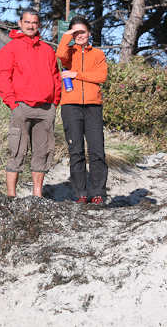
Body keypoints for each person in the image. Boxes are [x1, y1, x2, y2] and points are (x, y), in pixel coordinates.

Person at [0, 8, 62, 199]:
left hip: (46, 108)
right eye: (27, 22)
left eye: (34, 22)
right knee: (17, 150)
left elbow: (56, 77)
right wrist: (13, 104)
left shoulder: (47, 50)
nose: (31, 26)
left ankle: (37, 197)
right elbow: (2, 76)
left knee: (43, 152)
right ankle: (11, 197)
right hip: (21, 107)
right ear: (20, 23)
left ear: (39, 25)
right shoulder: (11, 48)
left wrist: (54, 103)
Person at [56, 15, 108, 205]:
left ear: (89, 33)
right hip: (71, 106)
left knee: (97, 150)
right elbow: (60, 55)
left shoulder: (98, 54)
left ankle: (98, 193)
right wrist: (67, 35)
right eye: (75, 32)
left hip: (93, 106)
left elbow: (101, 77)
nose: (79, 35)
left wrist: (75, 74)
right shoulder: (68, 52)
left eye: (83, 31)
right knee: (76, 151)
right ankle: (81, 194)